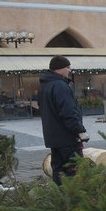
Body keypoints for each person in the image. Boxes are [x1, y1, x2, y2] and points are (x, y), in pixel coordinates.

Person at [39, 55, 89, 185]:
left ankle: (60, 199)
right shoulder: (60, 85)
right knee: (74, 170)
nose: (69, 70)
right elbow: (68, 112)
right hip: (67, 137)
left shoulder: (45, 85)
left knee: (58, 170)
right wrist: (79, 130)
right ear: (58, 69)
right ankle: (74, 201)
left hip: (53, 137)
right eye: (67, 67)